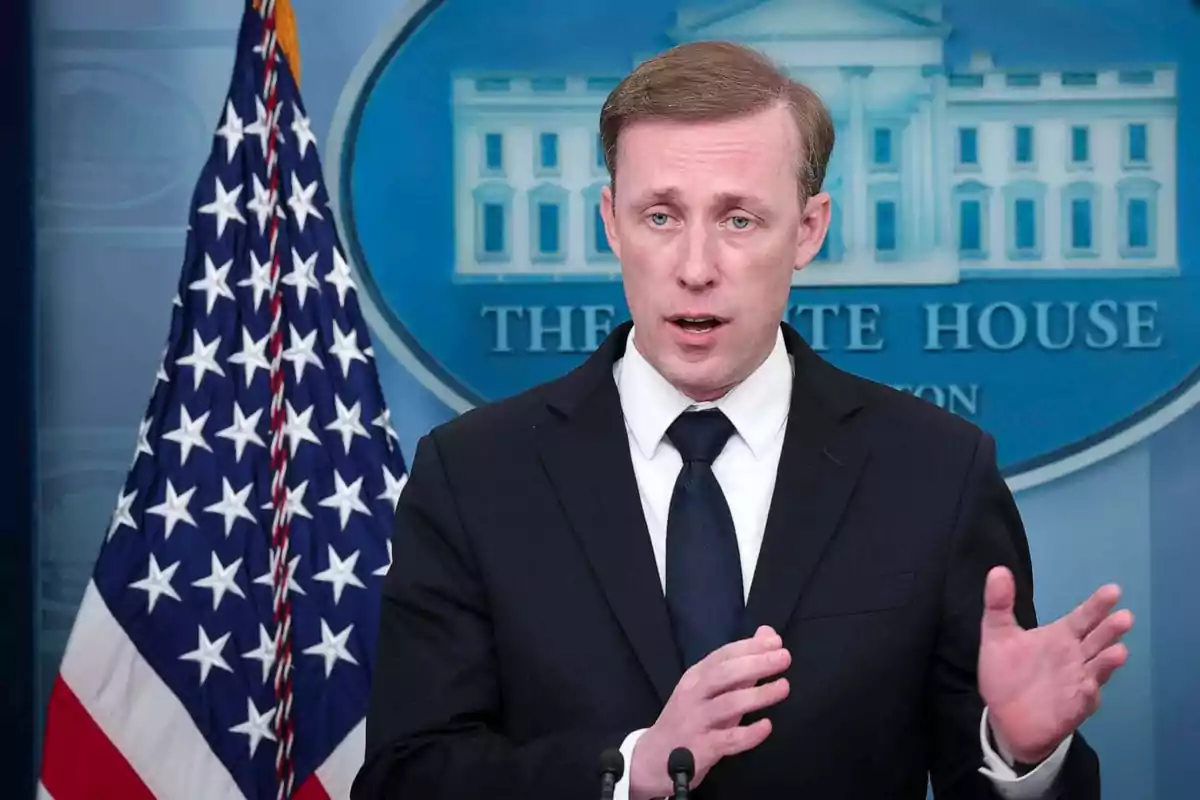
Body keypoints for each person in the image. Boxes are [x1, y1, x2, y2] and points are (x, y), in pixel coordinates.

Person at [351, 41, 1133, 799]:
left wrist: (1018, 754)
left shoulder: (935, 473)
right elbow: (404, 777)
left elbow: (988, 775)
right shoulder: (475, 473)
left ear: (809, 230)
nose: (695, 267)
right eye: (660, 216)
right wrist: (631, 771)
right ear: (610, 223)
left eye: (738, 220)